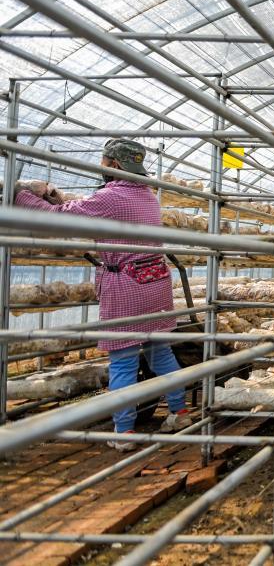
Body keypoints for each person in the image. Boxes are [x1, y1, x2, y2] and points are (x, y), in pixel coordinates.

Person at [14, 139, 191, 451]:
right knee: (160, 353)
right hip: (155, 282)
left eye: (103, 161)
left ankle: (123, 433)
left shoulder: (111, 197)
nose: (100, 165)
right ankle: (180, 412)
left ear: (115, 165)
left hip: (127, 287)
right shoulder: (147, 195)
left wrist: (21, 197)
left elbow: (61, 217)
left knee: (122, 361)